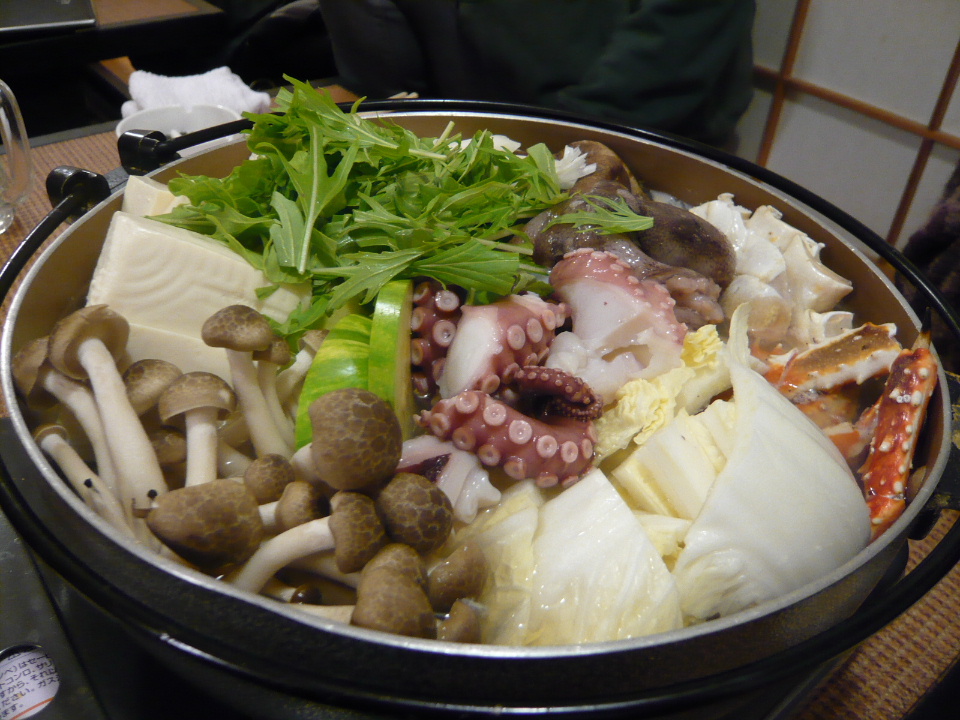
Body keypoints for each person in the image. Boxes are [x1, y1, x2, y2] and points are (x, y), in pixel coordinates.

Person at [318, 0, 756, 147]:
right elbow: (381, 68)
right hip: (463, 138)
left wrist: (555, 144)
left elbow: (678, 34)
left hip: (646, 141)